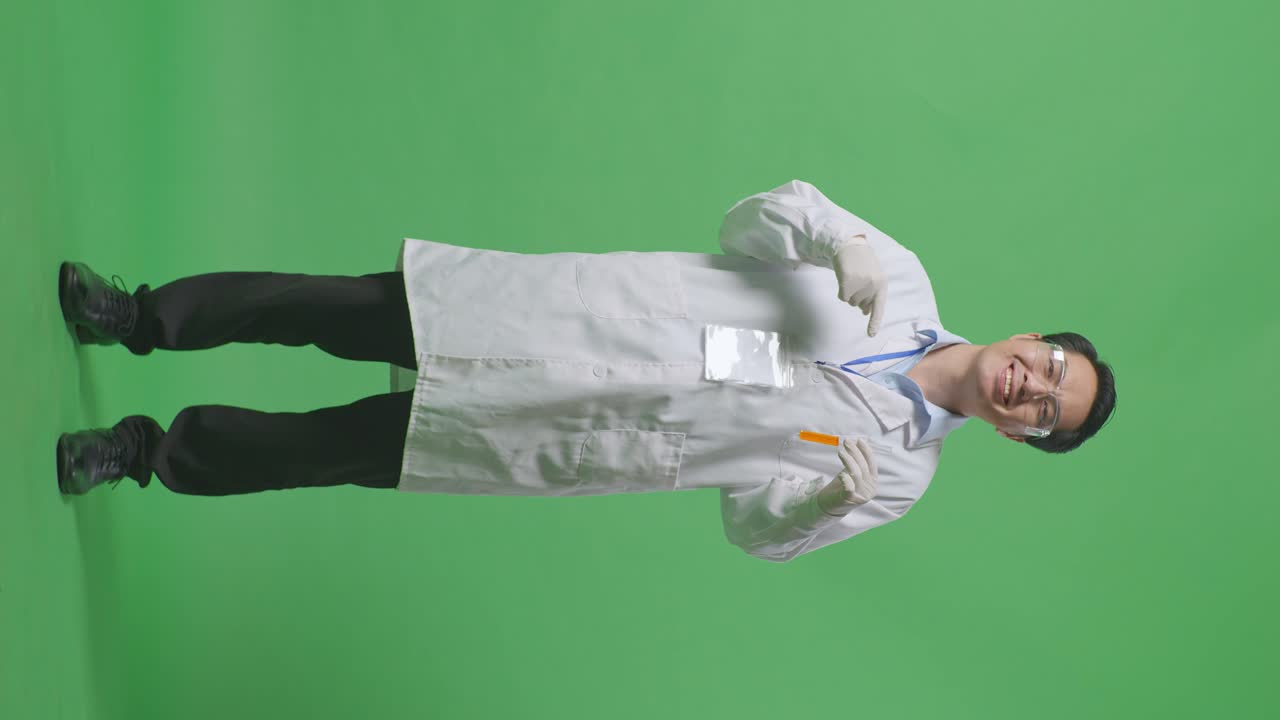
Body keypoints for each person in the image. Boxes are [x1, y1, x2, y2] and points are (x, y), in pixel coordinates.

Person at [55, 180, 1116, 562]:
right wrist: (831, 238)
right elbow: (747, 223)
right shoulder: (898, 280)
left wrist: (811, 511)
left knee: (325, 451)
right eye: (1051, 365)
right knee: (321, 308)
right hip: (570, 318)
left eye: (1045, 411)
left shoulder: (897, 476)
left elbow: (751, 532)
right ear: (1035, 338)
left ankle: (141, 454)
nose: (1031, 385)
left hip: (587, 430)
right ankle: (141, 316)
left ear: (1026, 438)